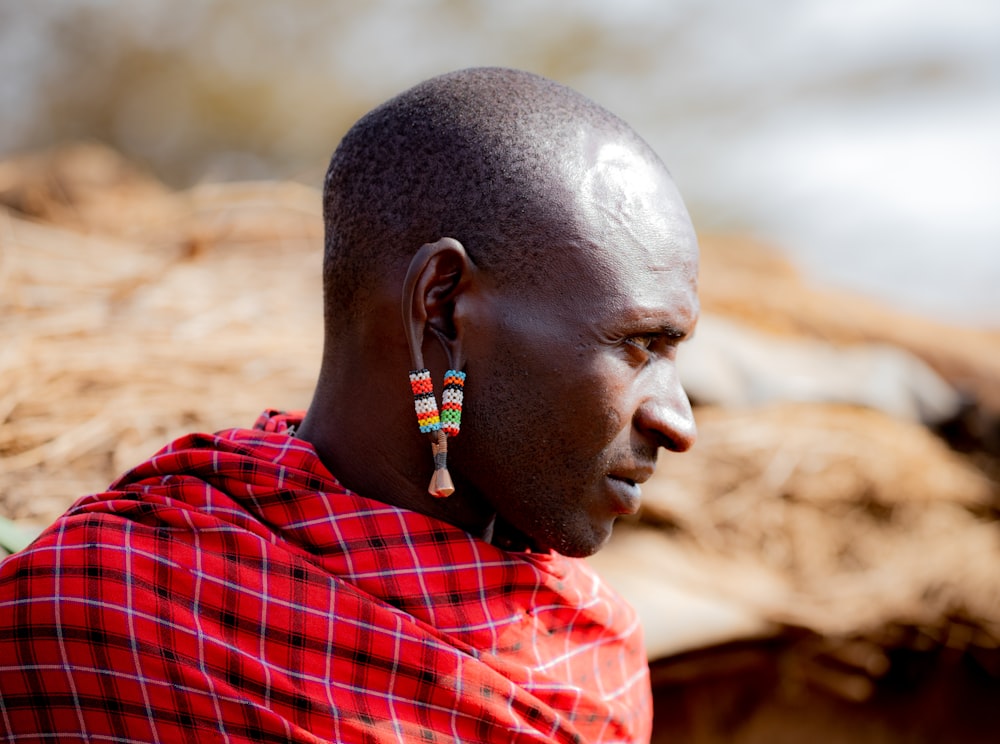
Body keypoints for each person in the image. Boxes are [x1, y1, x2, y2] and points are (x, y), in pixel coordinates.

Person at [0, 67, 698, 742]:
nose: (679, 423)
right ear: (444, 306)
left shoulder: (592, 660)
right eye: (641, 345)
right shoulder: (95, 610)